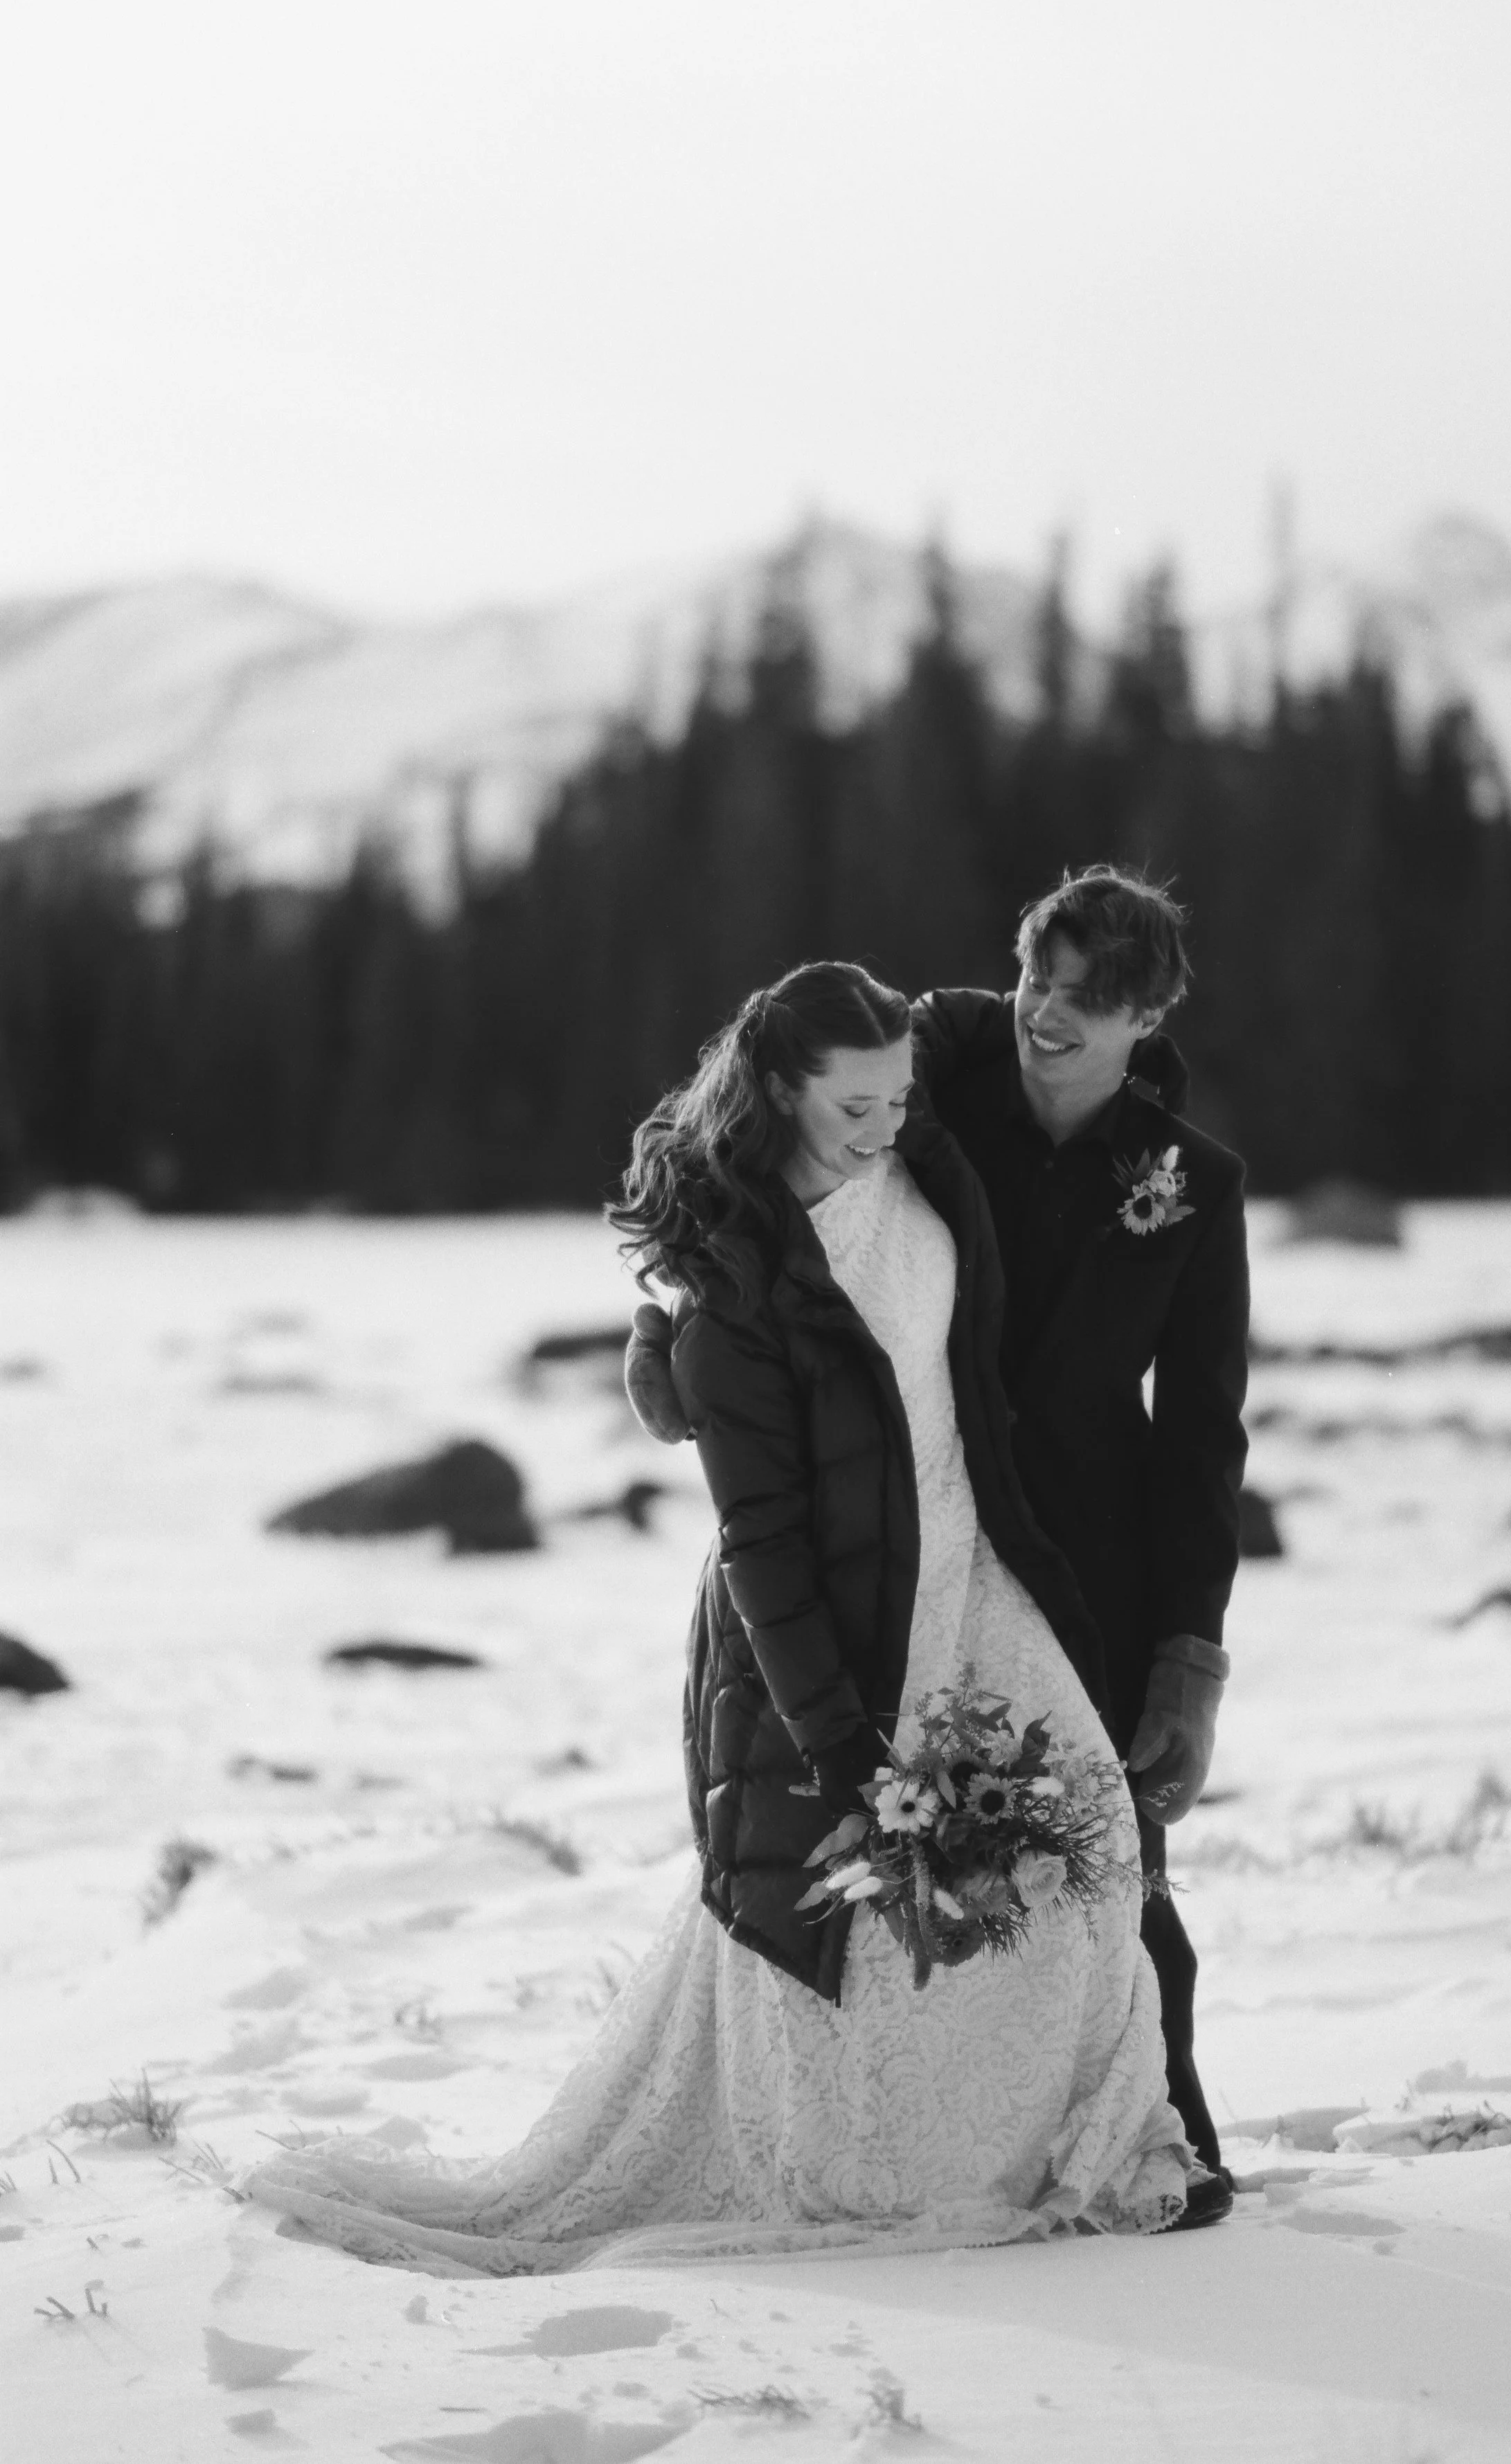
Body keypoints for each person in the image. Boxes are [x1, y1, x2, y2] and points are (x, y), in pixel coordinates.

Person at [244, 962, 1197, 2274]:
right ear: (782, 1091)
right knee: (841, 1922)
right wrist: (839, 1746)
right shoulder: (737, 1295)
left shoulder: (910, 1113)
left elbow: (1041, 1024)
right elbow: (766, 1551)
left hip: (973, 1568)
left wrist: (1132, 1062)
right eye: (857, 1107)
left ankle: (1093, 2142)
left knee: (1089, 1851)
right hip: (841, 1623)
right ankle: (863, 2166)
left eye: (901, 1097)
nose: (889, 1126)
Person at [628, 870, 1249, 2184]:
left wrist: (1191, 1654)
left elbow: (1204, 1439)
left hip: (1088, 1556)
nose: (1049, 1017)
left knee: (1115, 1873)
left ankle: (1161, 2141)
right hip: (887, 1523)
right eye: (1039, 982)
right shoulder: (943, 1056)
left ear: (1149, 1012)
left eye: (1088, 1001)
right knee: (889, 1880)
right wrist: (668, 1330)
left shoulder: (1192, 1183)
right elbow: (754, 1105)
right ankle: (918, 2152)